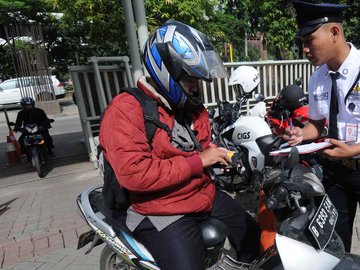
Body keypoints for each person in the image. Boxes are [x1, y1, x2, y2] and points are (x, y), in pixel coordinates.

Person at [99, 20, 260, 270]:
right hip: (160, 209)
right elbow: (135, 174)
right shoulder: (126, 108)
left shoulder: (193, 109)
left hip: (202, 194)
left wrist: (222, 160)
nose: (197, 86)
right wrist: (200, 161)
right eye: (190, 78)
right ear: (168, 71)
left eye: (198, 79)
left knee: (253, 235)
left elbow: (205, 149)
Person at [284, 1, 360, 265]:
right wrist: (301, 135)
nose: (305, 49)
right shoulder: (317, 76)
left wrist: (354, 150)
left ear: (334, 33)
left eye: (310, 40)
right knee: (334, 242)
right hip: (336, 172)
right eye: (302, 41)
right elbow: (317, 125)